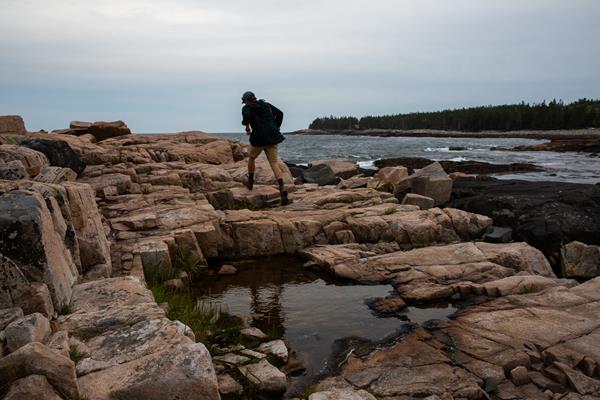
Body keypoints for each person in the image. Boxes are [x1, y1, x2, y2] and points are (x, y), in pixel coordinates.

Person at [241, 91, 289, 205]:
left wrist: (247, 126)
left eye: (244, 102)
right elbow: (280, 114)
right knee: (274, 163)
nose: (244, 103)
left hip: (258, 139)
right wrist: (275, 127)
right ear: (255, 98)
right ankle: (282, 187)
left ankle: (250, 181)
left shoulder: (246, 108)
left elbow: (246, 119)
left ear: (246, 101)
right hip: (273, 137)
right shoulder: (266, 105)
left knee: (251, 157)